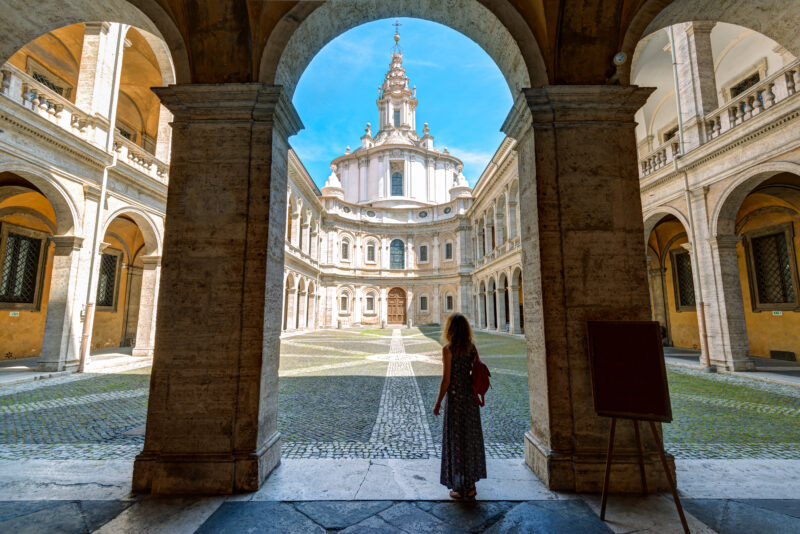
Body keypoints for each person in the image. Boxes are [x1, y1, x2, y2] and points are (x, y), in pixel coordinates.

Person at [433, 313, 487, 499]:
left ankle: (458, 487)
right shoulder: (472, 348)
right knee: (469, 440)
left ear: (450, 330)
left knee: (456, 441)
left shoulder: (448, 350)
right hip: (470, 400)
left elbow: (446, 380)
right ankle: (471, 486)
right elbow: (476, 370)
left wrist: (438, 402)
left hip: (455, 401)